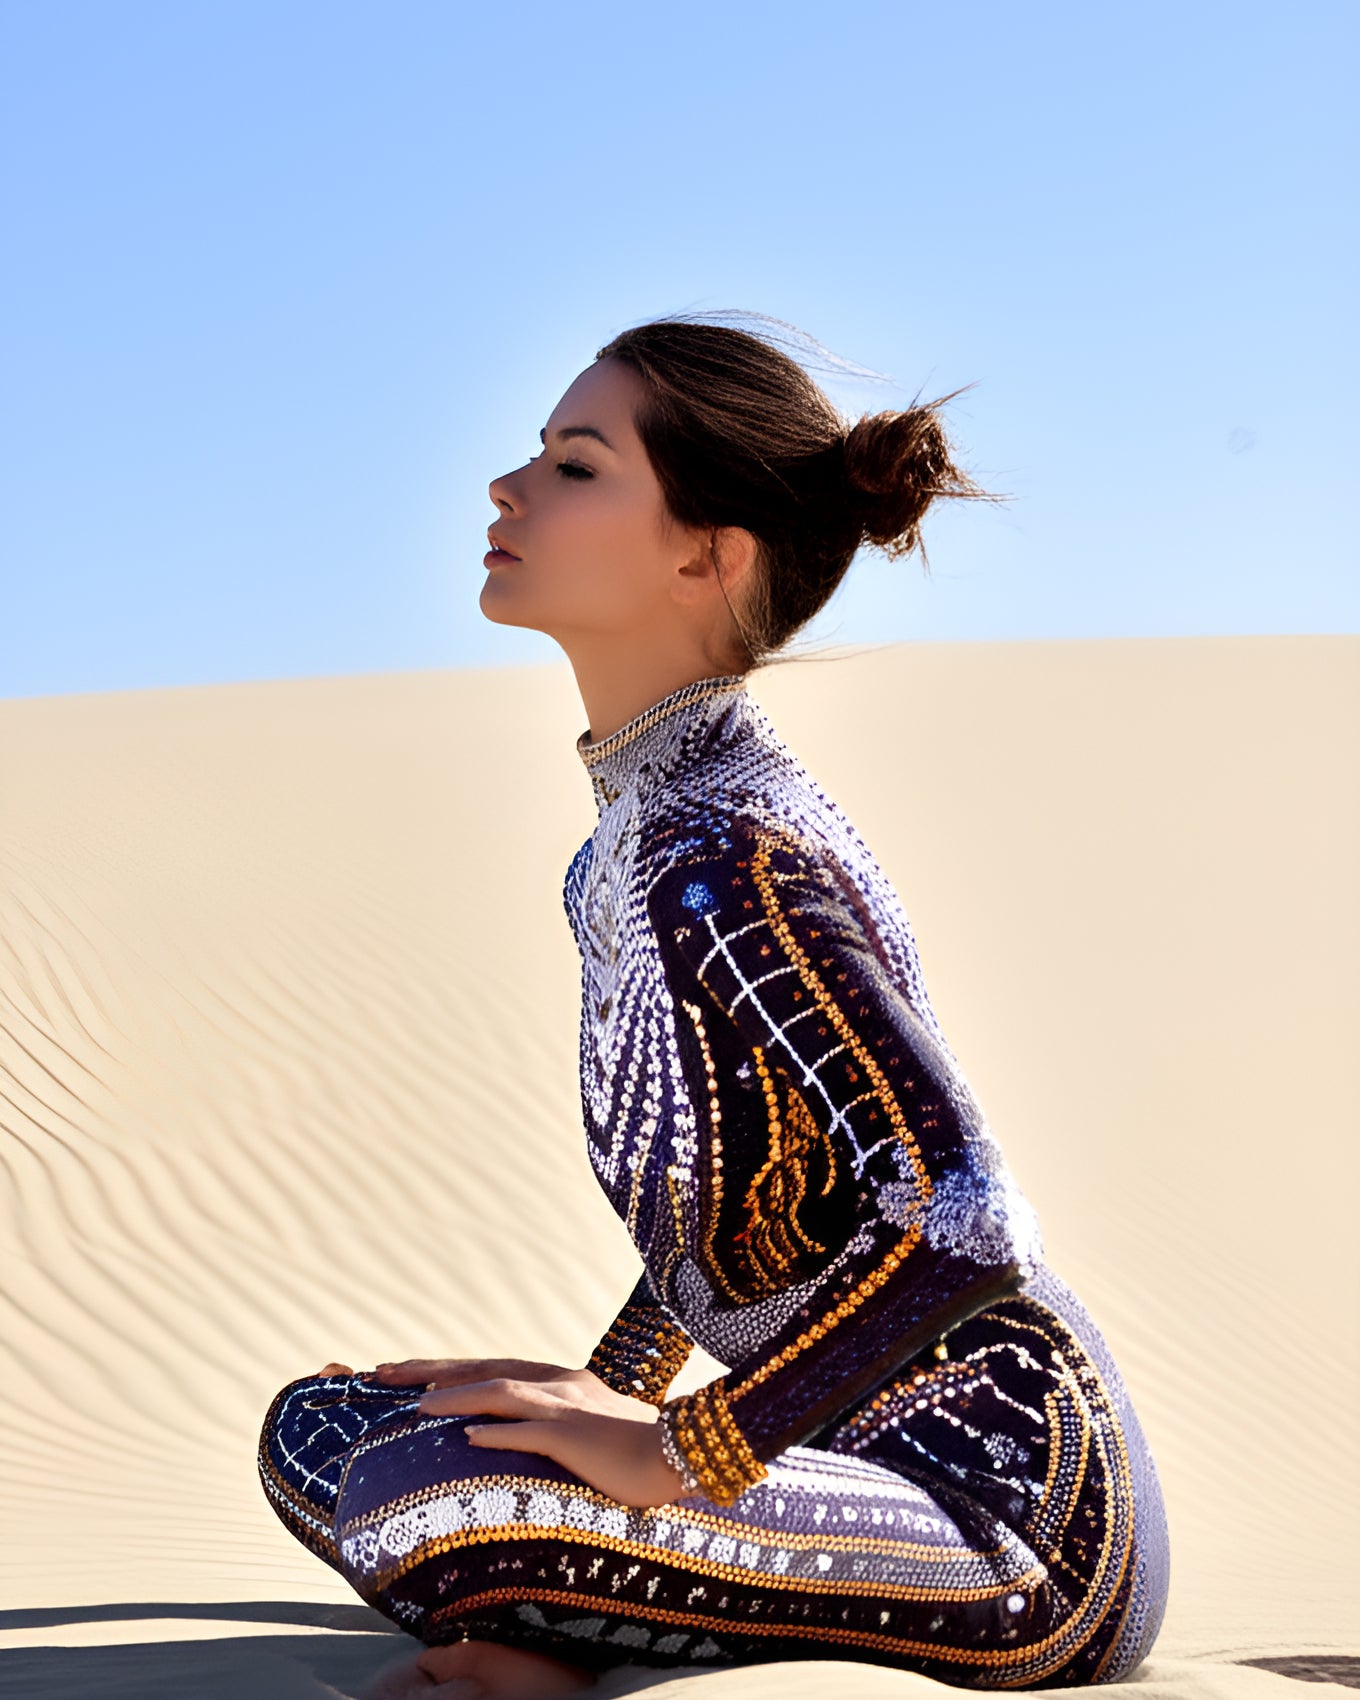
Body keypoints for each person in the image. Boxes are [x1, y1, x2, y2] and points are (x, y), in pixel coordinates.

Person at [257, 317, 1170, 1698]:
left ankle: (568, 1645)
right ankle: (582, 1619)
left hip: (1012, 1528)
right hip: (798, 1457)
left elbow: (967, 1215)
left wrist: (673, 1453)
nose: (506, 489)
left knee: (413, 1492)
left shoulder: (723, 856)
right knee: (323, 1429)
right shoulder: (635, 841)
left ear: (705, 552)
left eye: (574, 466)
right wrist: (619, 1394)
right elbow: (735, 1192)